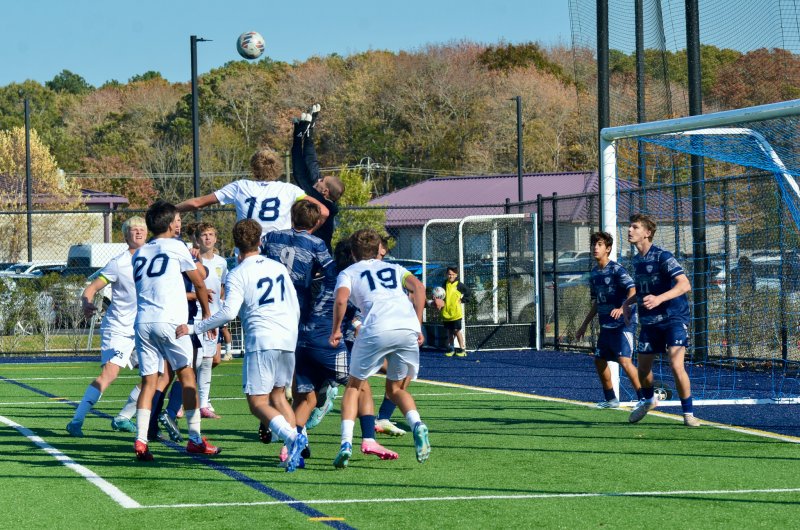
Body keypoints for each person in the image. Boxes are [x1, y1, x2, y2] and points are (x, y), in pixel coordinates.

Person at [179, 219, 307, 472]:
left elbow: (228, 313)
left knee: (257, 403)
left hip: (263, 338)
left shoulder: (238, 272)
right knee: (279, 396)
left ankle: (293, 438)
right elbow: (294, 303)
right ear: (260, 241)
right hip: (287, 337)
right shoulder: (278, 267)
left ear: (236, 245)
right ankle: (296, 453)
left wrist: (195, 327)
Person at [329, 228, 431, 468]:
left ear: (353, 253)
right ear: (378, 251)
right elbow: (419, 288)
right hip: (406, 328)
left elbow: (341, 300)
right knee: (396, 388)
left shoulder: (349, 272)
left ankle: (346, 443)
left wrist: (335, 330)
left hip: (376, 328)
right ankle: (417, 423)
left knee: (354, 386)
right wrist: (417, 325)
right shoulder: (396, 269)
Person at [132, 200, 221, 461]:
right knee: (187, 376)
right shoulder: (177, 247)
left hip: (143, 322)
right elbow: (200, 281)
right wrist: (206, 315)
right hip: (171, 321)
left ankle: (140, 439)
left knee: (149, 381)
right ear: (171, 224)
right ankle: (194, 439)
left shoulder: (140, 252)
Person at [66, 217, 148, 437]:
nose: (138, 232)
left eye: (142, 229)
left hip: (143, 329)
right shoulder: (119, 262)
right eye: (133, 230)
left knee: (154, 376)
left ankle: (123, 418)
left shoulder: (153, 258)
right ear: (125, 235)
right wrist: (86, 302)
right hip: (119, 327)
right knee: (110, 374)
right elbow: (91, 288)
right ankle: (76, 421)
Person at [624, 214, 701, 427]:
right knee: (642, 368)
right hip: (650, 321)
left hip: (673, 318)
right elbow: (643, 289)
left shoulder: (662, 256)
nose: (629, 230)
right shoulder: (637, 260)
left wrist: (659, 298)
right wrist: (626, 304)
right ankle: (649, 401)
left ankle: (688, 413)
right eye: (629, 227)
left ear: (647, 233)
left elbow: (685, 285)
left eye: (635, 227)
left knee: (676, 364)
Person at [175, 146, 329, 236]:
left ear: (254, 168)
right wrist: (304, 234)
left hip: (247, 252)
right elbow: (324, 212)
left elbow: (197, 203)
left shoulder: (241, 187)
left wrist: (171, 209)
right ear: (277, 168)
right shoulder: (289, 189)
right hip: (278, 252)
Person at [575, 231, 643, 408]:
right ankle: (611, 399)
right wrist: (584, 325)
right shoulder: (594, 274)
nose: (595, 248)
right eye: (594, 245)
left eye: (599, 245)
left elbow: (633, 289)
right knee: (599, 360)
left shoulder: (616, 269)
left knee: (624, 360)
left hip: (623, 324)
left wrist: (622, 308)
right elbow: (598, 302)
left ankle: (644, 398)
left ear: (608, 248)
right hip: (606, 325)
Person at [292, 104, 345, 252]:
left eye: (322, 181)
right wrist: (307, 134)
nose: (319, 179)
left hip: (313, 252)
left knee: (303, 171)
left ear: (325, 192)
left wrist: (297, 136)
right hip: (312, 248)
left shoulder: (316, 198)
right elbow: (311, 162)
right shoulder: (321, 194)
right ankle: (309, 131)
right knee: (311, 167)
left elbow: (299, 169)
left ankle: (306, 132)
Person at [194, 222, 228, 418]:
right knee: (192, 361)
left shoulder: (221, 262)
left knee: (209, 361)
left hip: (213, 316)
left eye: (211, 234)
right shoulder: (191, 259)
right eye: (203, 235)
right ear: (198, 239)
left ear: (215, 238)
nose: (207, 238)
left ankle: (203, 403)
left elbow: (221, 288)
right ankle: (182, 401)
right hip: (195, 314)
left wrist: (219, 310)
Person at [439, 266, 470, 357]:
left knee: (456, 331)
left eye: (453, 274)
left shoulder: (459, 285)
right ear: (446, 274)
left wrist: (463, 300)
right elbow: (441, 295)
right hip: (446, 312)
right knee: (449, 331)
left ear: (456, 275)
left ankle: (462, 349)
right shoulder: (444, 284)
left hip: (456, 313)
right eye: (449, 274)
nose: (451, 276)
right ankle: (451, 349)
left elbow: (468, 292)